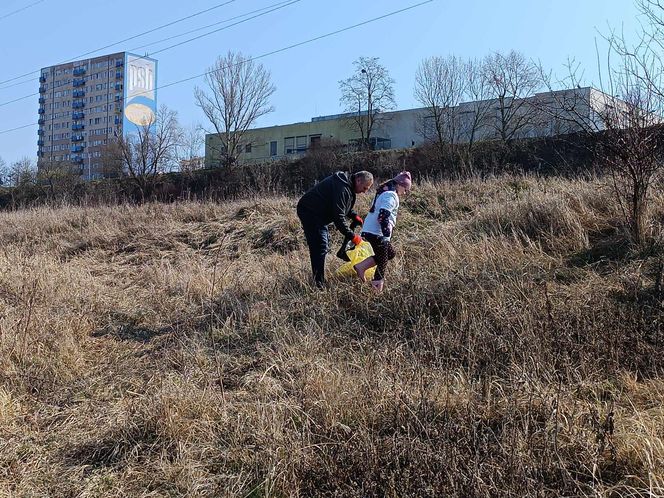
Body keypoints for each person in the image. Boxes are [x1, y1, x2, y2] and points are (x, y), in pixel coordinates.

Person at [297, 170, 374, 287]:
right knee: (320, 245)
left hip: (317, 213)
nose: (364, 192)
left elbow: (341, 206)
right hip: (310, 212)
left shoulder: (346, 185)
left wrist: (353, 215)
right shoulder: (342, 188)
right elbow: (338, 218)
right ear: (358, 180)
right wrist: (353, 237)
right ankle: (319, 283)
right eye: (364, 188)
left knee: (323, 244)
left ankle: (319, 278)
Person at [353, 171, 412, 293]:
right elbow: (383, 216)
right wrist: (385, 236)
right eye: (405, 189)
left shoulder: (386, 193)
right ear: (399, 185)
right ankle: (376, 292)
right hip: (376, 233)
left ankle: (361, 266)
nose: (405, 193)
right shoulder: (391, 195)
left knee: (390, 254)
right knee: (383, 261)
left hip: (371, 231)